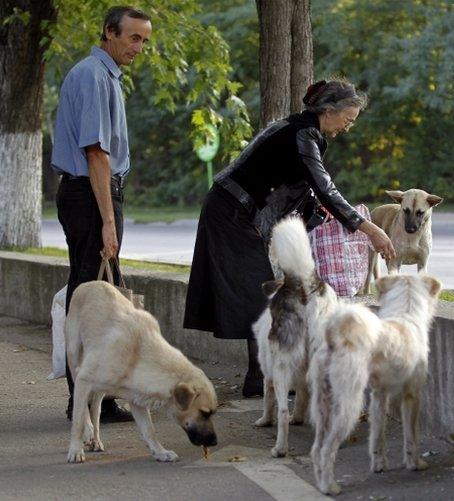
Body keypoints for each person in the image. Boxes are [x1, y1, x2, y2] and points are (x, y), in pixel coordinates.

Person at [184, 79, 396, 397]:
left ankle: (262, 379)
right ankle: (262, 380)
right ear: (328, 111)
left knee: (261, 293)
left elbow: (300, 186)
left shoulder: (299, 131)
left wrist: (316, 212)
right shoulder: (302, 134)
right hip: (232, 213)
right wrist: (369, 228)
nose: (347, 128)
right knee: (260, 295)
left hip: (236, 211)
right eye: (347, 120)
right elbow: (324, 186)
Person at [51, 6, 152, 421]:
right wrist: (109, 220)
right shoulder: (93, 76)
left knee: (97, 294)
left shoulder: (103, 74)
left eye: (144, 40)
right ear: (109, 33)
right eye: (133, 38)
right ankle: (87, 400)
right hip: (91, 195)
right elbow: (95, 153)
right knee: (91, 298)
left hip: (92, 194)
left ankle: (97, 396)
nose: (139, 47)